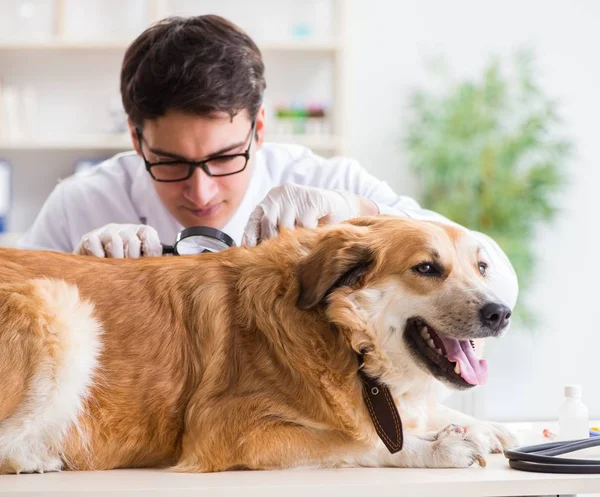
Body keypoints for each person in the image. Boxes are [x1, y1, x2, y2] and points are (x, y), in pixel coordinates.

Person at [19, 15, 517, 308]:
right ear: (135, 139)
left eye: (224, 158)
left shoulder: (325, 181)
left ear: (258, 130)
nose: (201, 192)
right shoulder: (80, 204)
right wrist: (81, 276)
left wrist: (360, 212)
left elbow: (502, 285)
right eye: (170, 163)